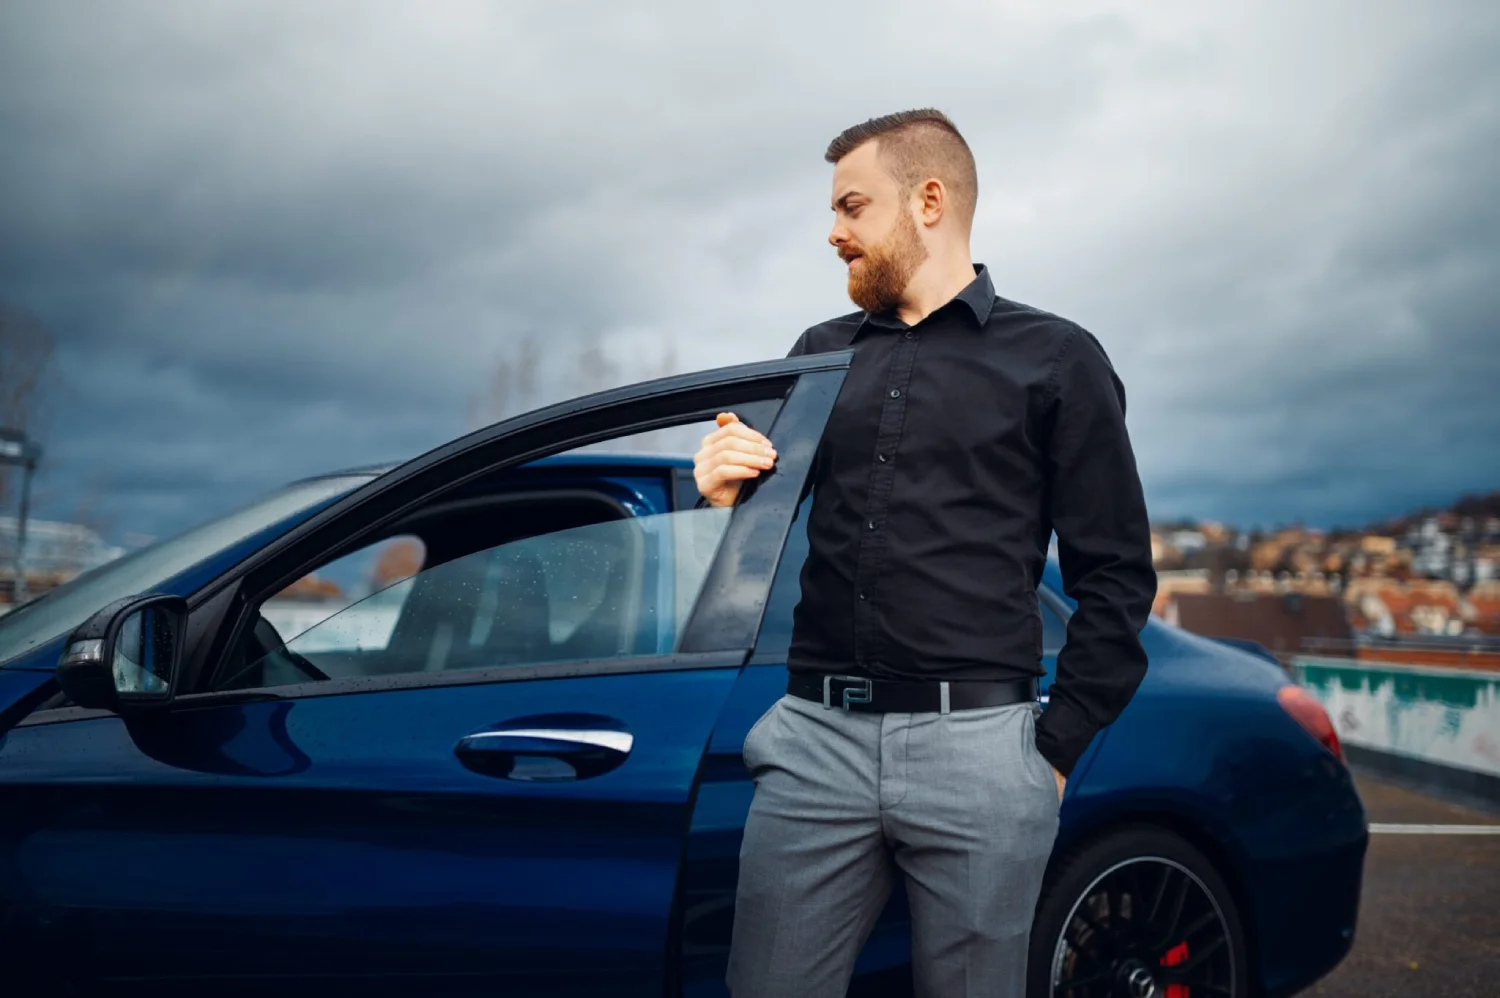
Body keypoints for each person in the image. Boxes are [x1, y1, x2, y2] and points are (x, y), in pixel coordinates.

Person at [695, 109, 1158, 998]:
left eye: (852, 207)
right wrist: (723, 476)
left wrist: (1050, 753)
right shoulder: (817, 358)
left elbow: (1117, 577)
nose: (833, 233)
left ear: (929, 201)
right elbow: (752, 508)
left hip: (983, 753)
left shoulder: (1058, 359)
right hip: (813, 746)